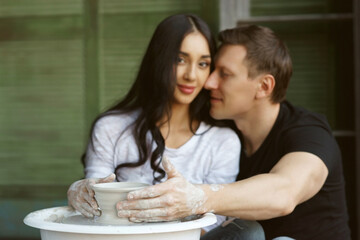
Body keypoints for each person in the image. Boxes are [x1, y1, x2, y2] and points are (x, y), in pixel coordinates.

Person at [116, 25, 351, 240]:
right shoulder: (221, 129)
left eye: (225, 74)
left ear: (264, 86)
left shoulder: (309, 133)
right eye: (213, 70)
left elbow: (285, 192)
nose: (209, 83)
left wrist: (195, 198)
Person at [66, 14, 241, 233]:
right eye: (180, 60)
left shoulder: (223, 141)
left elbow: (212, 225)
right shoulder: (111, 128)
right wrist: (79, 192)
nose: (191, 75)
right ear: (159, 59)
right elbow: (95, 204)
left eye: (203, 63)